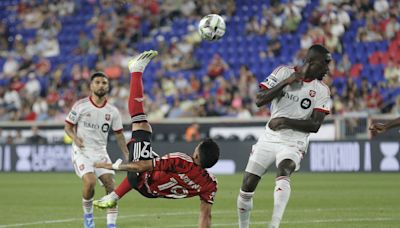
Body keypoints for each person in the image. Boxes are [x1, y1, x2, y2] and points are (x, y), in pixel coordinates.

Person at [92, 50, 220, 228]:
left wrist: (114, 166)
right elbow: (205, 216)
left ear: (197, 155)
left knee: (142, 126)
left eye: (197, 147)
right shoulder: (210, 184)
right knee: (143, 142)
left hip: (144, 179)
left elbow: (142, 166)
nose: (194, 148)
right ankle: (114, 195)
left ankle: (135, 70)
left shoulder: (181, 161)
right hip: (154, 190)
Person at [237, 44, 332, 228]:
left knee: (284, 169)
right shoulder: (282, 72)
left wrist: (284, 121)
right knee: (247, 186)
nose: (327, 69)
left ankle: (274, 225)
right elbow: (259, 100)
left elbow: (315, 125)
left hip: (294, 141)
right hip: (269, 137)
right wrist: (285, 83)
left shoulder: (322, 90)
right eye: (324, 64)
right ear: (310, 61)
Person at [64, 71, 129, 228]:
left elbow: (119, 135)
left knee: (111, 186)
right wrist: (75, 138)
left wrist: (127, 153)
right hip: (82, 151)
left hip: (100, 152)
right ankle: (88, 217)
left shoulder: (113, 111)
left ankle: (111, 225)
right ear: (91, 86)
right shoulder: (81, 105)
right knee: (90, 182)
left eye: (104, 83)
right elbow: (68, 127)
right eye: (98, 82)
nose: (101, 85)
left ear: (108, 86)